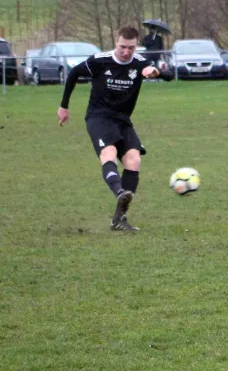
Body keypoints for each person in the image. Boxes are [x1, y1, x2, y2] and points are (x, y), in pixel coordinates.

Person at [58, 26, 174, 231]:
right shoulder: (99, 60)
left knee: (134, 159)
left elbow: (168, 75)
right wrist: (64, 106)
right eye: (122, 46)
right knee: (109, 152)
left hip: (123, 119)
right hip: (98, 117)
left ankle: (119, 220)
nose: (126, 51)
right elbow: (74, 73)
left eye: (130, 47)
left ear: (136, 45)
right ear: (116, 42)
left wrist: (156, 71)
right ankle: (120, 192)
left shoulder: (140, 63)